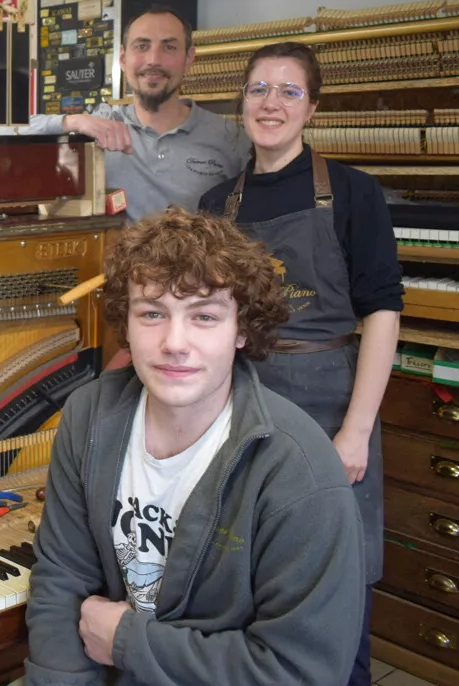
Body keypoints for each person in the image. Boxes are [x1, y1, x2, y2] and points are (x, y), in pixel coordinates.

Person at [25, 207, 366, 686]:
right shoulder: (89, 415)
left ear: (241, 330)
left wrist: (128, 641)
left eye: (204, 316)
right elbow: (62, 579)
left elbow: (300, 672)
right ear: (127, 323)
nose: (174, 342)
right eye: (152, 313)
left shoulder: (300, 472)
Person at [198, 41, 403, 686]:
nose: (272, 104)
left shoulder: (352, 193)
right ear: (242, 103)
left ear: (311, 106)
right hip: (242, 402)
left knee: (335, 590)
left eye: (289, 91)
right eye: (259, 89)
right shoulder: (216, 204)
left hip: (329, 403)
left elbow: (383, 313)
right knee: (245, 578)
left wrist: (356, 431)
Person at [27, 6, 250, 221]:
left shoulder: (230, 138)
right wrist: (72, 122)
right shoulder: (98, 127)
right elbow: (1, 133)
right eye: (142, 46)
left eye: (169, 47)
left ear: (189, 59)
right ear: (123, 59)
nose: (153, 60)